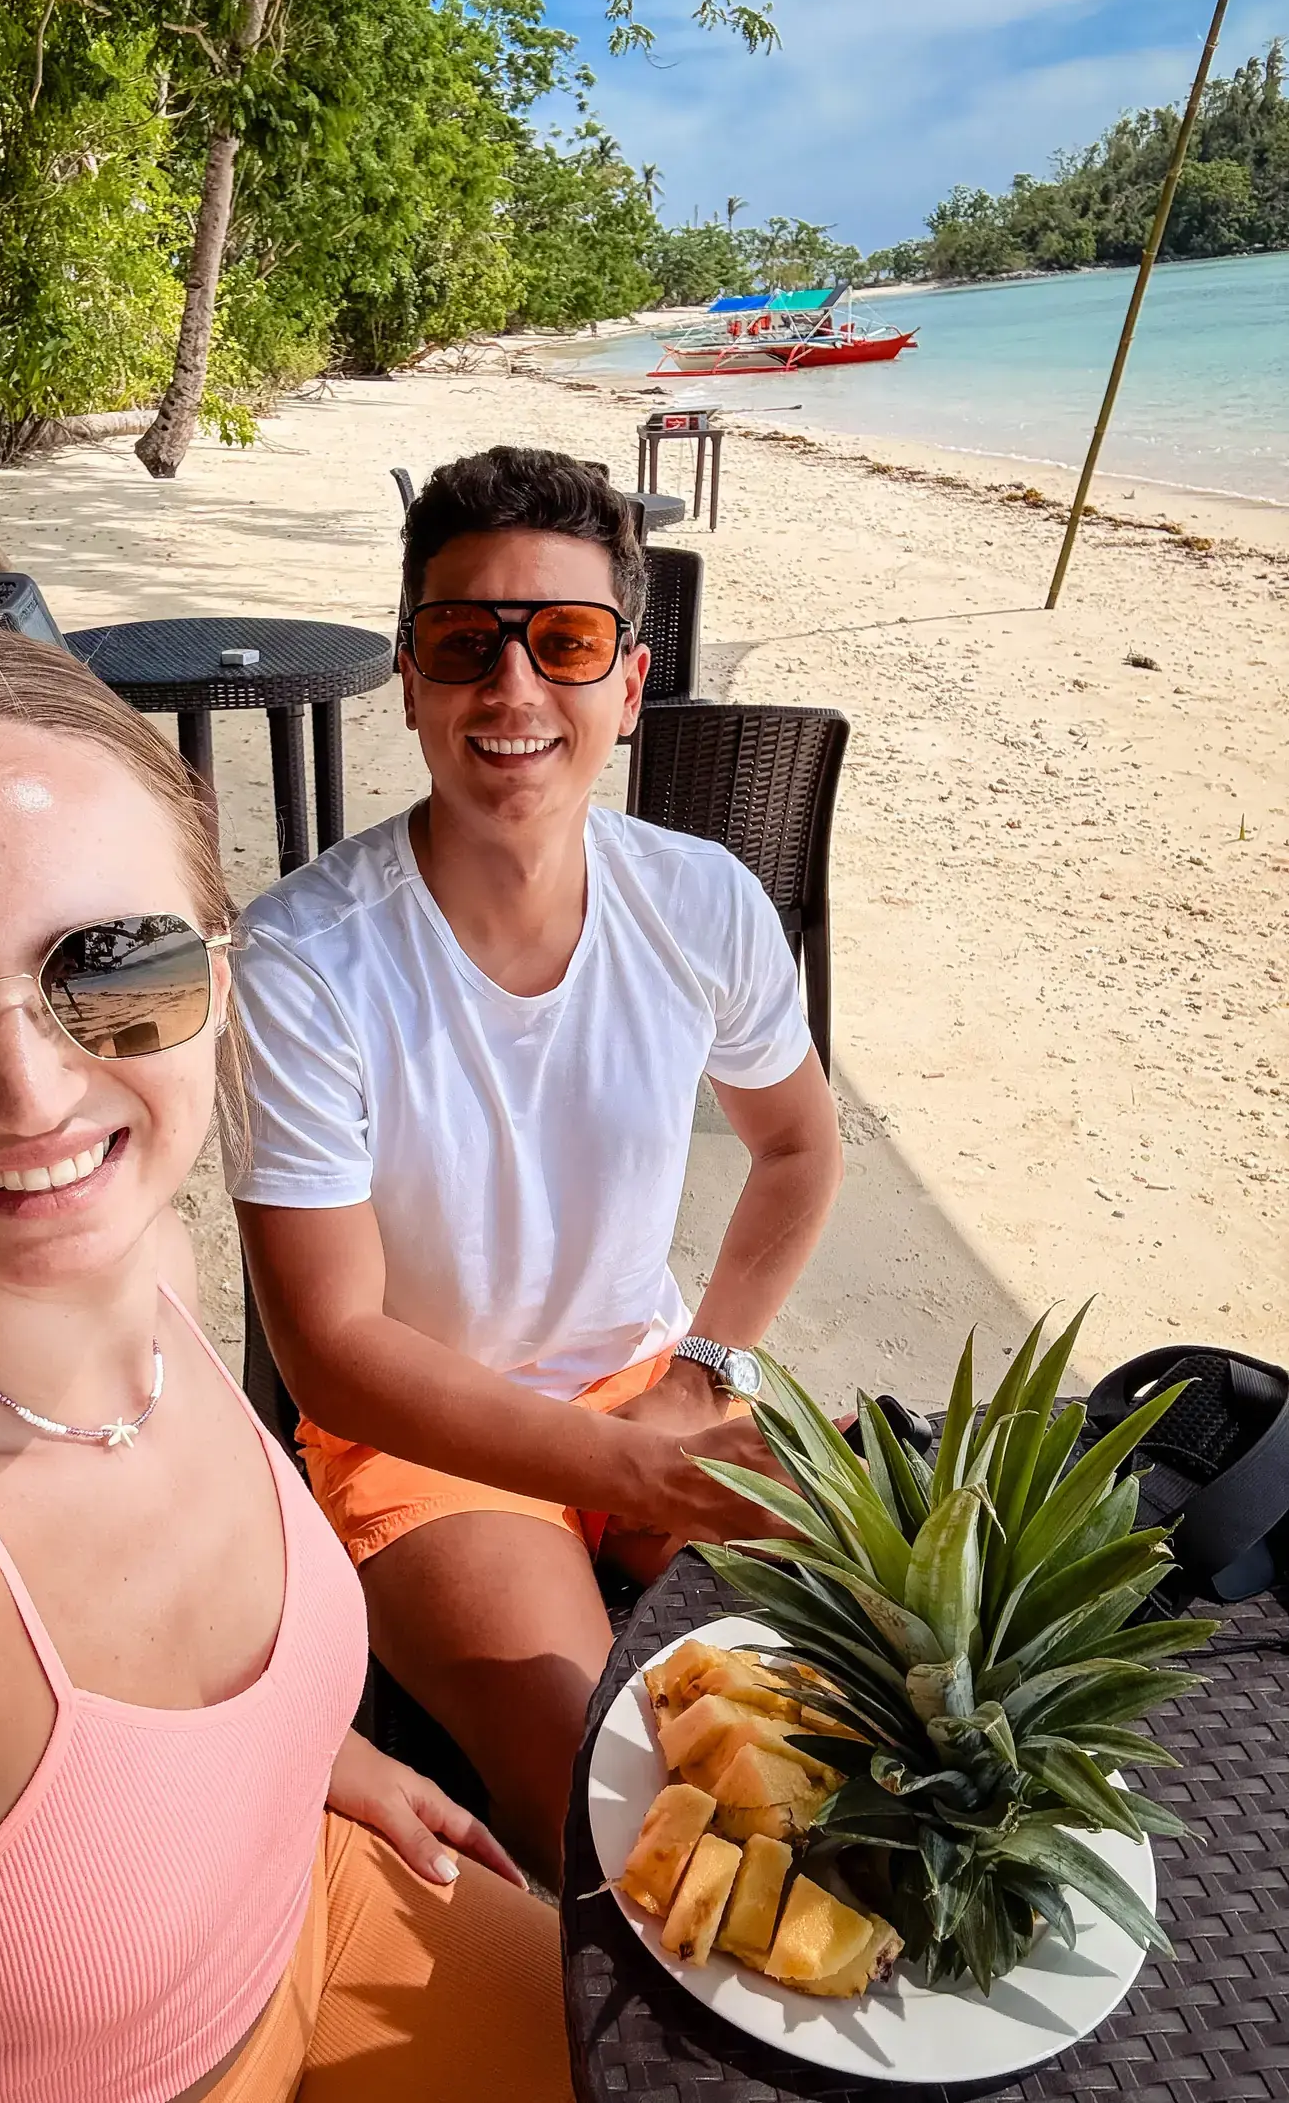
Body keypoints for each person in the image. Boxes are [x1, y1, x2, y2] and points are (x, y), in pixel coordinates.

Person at [0, 626, 573, 2103]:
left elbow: (138, 1745)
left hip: (323, 1903)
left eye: (111, 966)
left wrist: (312, 1761)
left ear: (220, 962)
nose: (31, 1090)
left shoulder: (149, 1269)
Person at [234, 446, 845, 1888]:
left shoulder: (698, 896)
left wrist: (714, 1366)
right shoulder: (306, 956)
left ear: (627, 686)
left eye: (562, 643)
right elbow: (329, 1353)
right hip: (430, 1440)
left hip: (649, 1383)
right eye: (465, 644)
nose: (512, 691)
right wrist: (626, 1465)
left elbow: (797, 1145)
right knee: (613, 1813)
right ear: (411, 680)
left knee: (885, 1683)